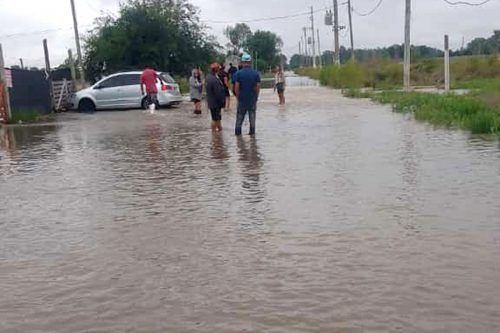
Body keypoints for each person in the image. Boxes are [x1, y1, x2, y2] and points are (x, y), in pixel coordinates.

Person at [234, 53, 261, 136]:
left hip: (242, 100)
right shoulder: (256, 74)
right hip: (252, 100)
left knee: (239, 120)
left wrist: (238, 98)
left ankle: (238, 138)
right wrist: (256, 98)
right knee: (252, 120)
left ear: (242, 62)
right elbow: (258, 88)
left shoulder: (238, 74)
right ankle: (252, 138)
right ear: (250, 62)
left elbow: (236, 88)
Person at [205, 63, 227, 132]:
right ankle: (214, 134)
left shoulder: (208, 77)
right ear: (216, 69)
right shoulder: (214, 79)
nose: (219, 70)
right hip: (216, 103)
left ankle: (219, 134)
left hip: (212, 102)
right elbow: (218, 93)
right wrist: (222, 102)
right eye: (219, 68)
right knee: (215, 119)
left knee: (217, 118)